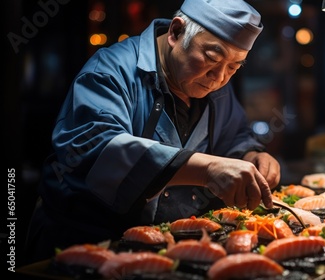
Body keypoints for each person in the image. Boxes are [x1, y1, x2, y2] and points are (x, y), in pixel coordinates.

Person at [25, 0, 280, 263]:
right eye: (212, 58)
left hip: (166, 247)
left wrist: (251, 156)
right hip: (84, 242)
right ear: (176, 32)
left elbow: (234, 135)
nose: (219, 77)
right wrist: (207, 169)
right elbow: (97, 149)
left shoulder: (213, 83)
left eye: (234, 67)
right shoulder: (111, 71)